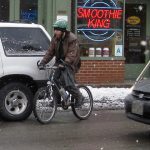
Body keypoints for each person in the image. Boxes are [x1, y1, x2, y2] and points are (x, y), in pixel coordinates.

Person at [39, 19, 83, 106]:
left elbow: (72, 54)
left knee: (66, 82)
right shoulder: (55, 39)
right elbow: (50, 52)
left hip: (71, 62)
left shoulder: (72, 39)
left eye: (57, 30)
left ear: (63, 31)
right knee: (54, 79)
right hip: (60, 62)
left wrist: (65, 63)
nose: (55, 32)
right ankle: (57, 100)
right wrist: (43, 62)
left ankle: (79, 97)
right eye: (55, 29)